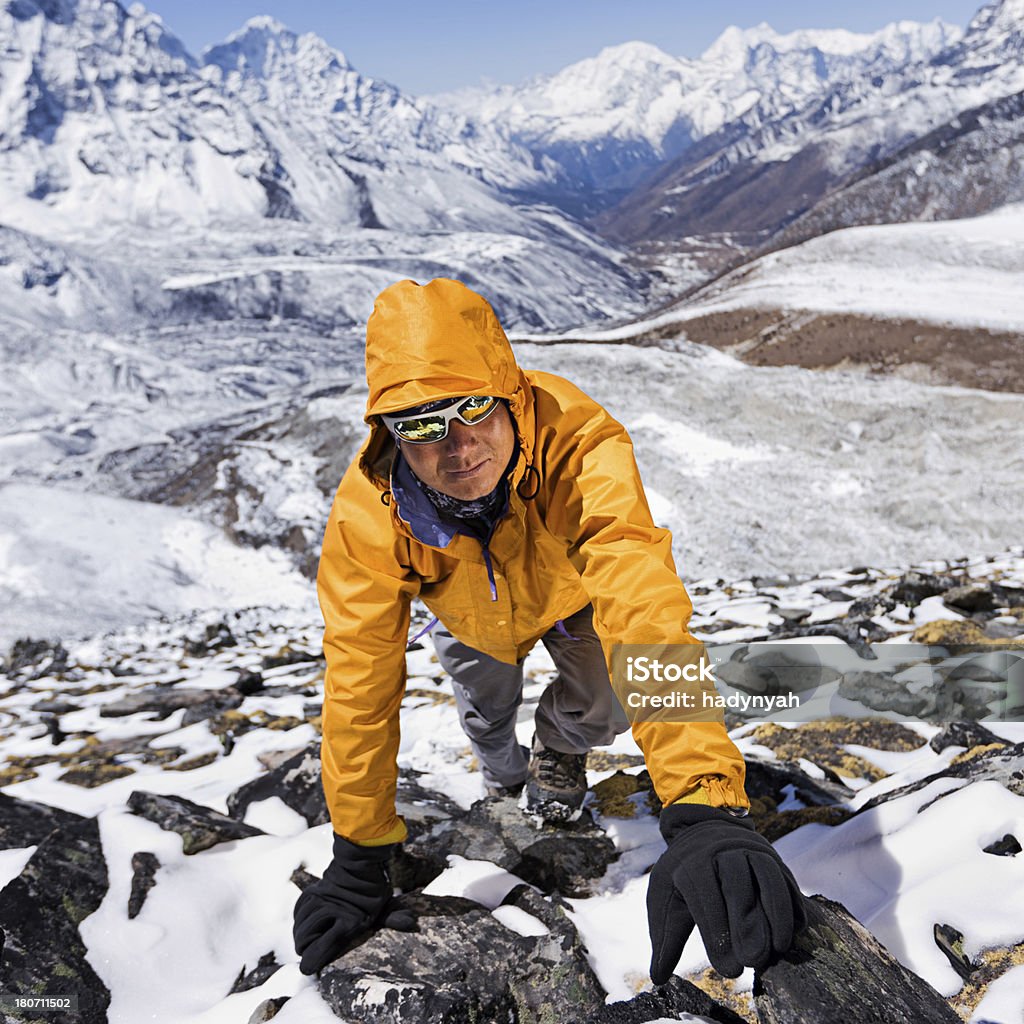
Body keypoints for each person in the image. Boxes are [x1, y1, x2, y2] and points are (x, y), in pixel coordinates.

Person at [293, 278, 806, 980]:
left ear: (509, 391)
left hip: (569, 600)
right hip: (468, 621)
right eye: (419, 425)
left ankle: (557, 750)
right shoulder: (369, 511)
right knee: (486, 715)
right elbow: (360, 673)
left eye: (473, 406)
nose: (457, 445)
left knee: (603, 700)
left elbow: (641, 599)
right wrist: (358, 852)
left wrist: (702, 805)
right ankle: (505, 781)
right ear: (389, 434)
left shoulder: (578, 443)